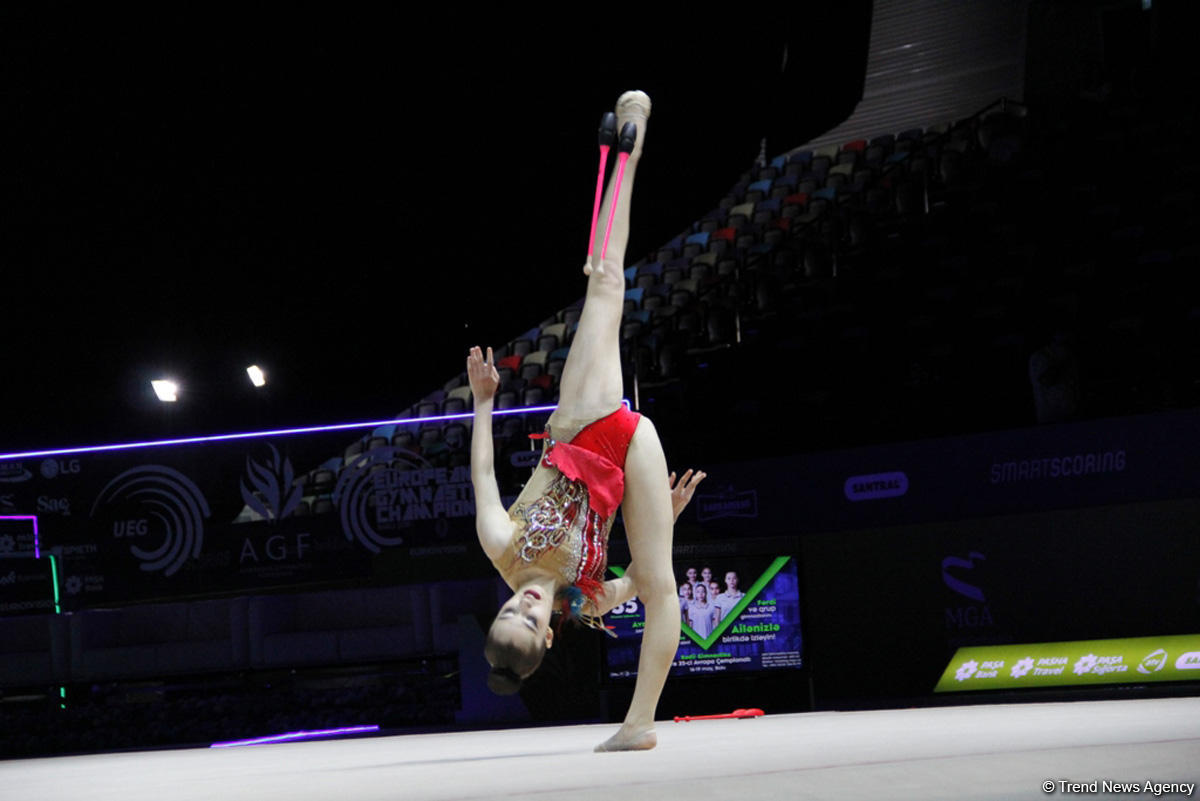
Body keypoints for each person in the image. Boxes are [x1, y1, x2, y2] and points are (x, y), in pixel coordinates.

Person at [469, 90, 704, 752]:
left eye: (509, 610)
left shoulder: (501, 544)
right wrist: (665, 513)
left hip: (580, 426)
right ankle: (640, 724)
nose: (522, 605)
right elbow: (636, 579)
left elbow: (484, 472)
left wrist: (485, 401)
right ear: (547, 636)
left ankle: (631, 146)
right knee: (661, 584)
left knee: (605, 282)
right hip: (634, 451)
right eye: (529, 619)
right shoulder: (588, 600)